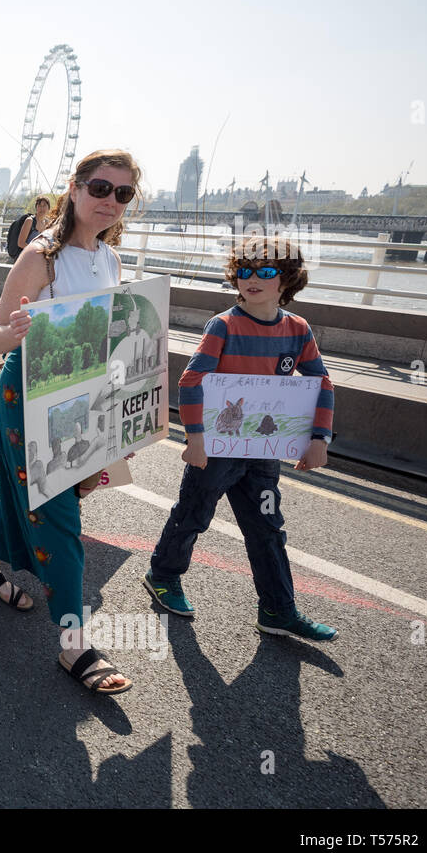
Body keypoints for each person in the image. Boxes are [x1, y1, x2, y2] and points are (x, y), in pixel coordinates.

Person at [0, 149, 140, 695]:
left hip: (83, 394)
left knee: (30, 494)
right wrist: (14, 330)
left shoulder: (110, 262)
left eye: (123, 193)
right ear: (74, 187)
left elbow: (111, 339)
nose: (109, 201)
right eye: (100, 188)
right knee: (57, 512)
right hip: (30, 396)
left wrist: (122, 415)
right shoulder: (42, 257)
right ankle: (74, 645)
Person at [144, 234, 337, 642]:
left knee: (268, 529)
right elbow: (192, 380)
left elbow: (321, 383)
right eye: (245, 271)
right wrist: (194, 437)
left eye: (266, 272)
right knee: (193, 516)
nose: (253, 279)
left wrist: (319, 437)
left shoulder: (298, 330)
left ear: (286, 280)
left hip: (264, 453)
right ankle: (163, 575)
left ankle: (278, 610)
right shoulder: (224, 325)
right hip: (217, 447)